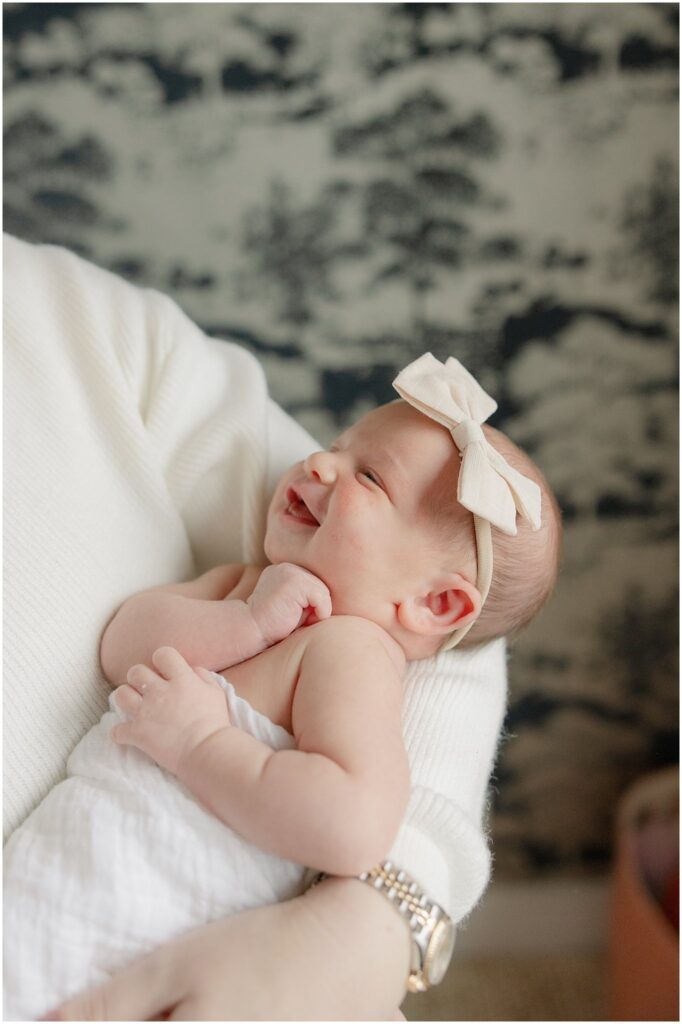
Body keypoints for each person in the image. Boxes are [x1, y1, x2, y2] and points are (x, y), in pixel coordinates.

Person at [3, 233, 526, 1020]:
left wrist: (202, 746)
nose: (317, 463)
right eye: (336, 447)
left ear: (435, 606)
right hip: (72, 860)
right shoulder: (247, 588)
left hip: (158, 913)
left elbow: (351, 828)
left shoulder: (351, 654)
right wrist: (243, 620)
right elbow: (125, 645)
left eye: (368, 477)